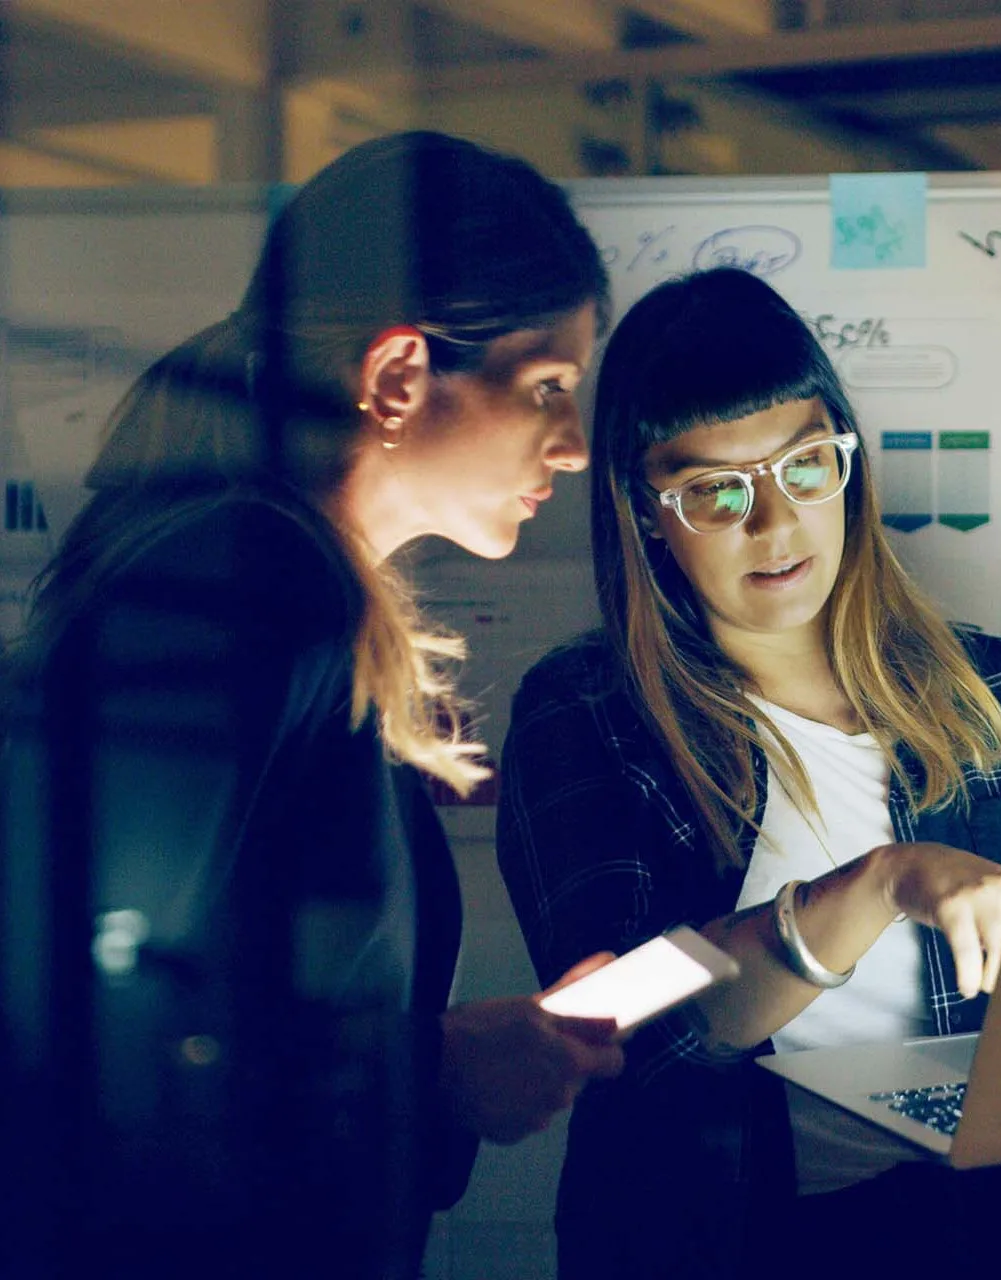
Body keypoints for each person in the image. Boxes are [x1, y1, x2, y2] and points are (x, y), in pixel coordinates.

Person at [496, 266, 1001, 1280]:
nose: (772, 521)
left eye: (803, 465)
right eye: (712, 490)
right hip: (724, 1246)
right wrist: (880, 882)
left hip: (997, 1243)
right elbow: (617, 1025)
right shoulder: (586, 714)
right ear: (644, 511)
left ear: (848, 464)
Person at [0, 131, 624, 1280]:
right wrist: (428, 1066)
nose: (574, 447)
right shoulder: (240, 576)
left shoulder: (276, 581)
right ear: (397, 376)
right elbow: (68, 1021)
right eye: (547, 387)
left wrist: (453, 1064)